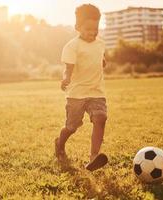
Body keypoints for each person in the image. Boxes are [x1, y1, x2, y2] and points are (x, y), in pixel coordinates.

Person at [55, 4, 108, 171]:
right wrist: (66, 78)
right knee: (71, 127)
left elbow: (100, 59)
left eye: (96, 28)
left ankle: (93, 157)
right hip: (76, 94)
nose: (92, 32)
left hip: (96, 92)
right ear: (78, 27)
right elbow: (68, 68)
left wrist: (102, 62)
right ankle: (59, 142)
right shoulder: (72, 46)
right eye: (88, 29)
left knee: (101, 118)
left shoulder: (100, 44)